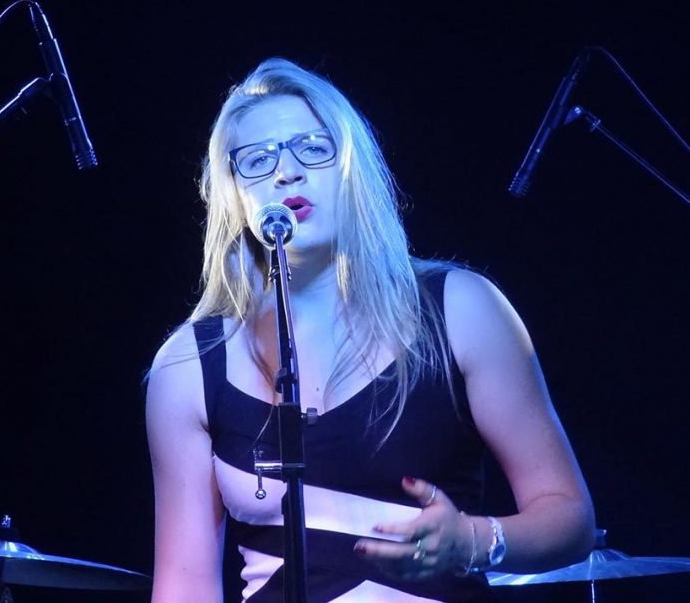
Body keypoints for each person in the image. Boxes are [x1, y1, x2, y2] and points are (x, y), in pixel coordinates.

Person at [146, 58, 594, 602]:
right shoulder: (187, 367)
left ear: (351, 168)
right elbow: (185, 585)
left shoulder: (461, 310)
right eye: (258, 161)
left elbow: (570, 517)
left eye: (313, 148)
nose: (287, 173)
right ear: (233, 194)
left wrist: (474, 540)